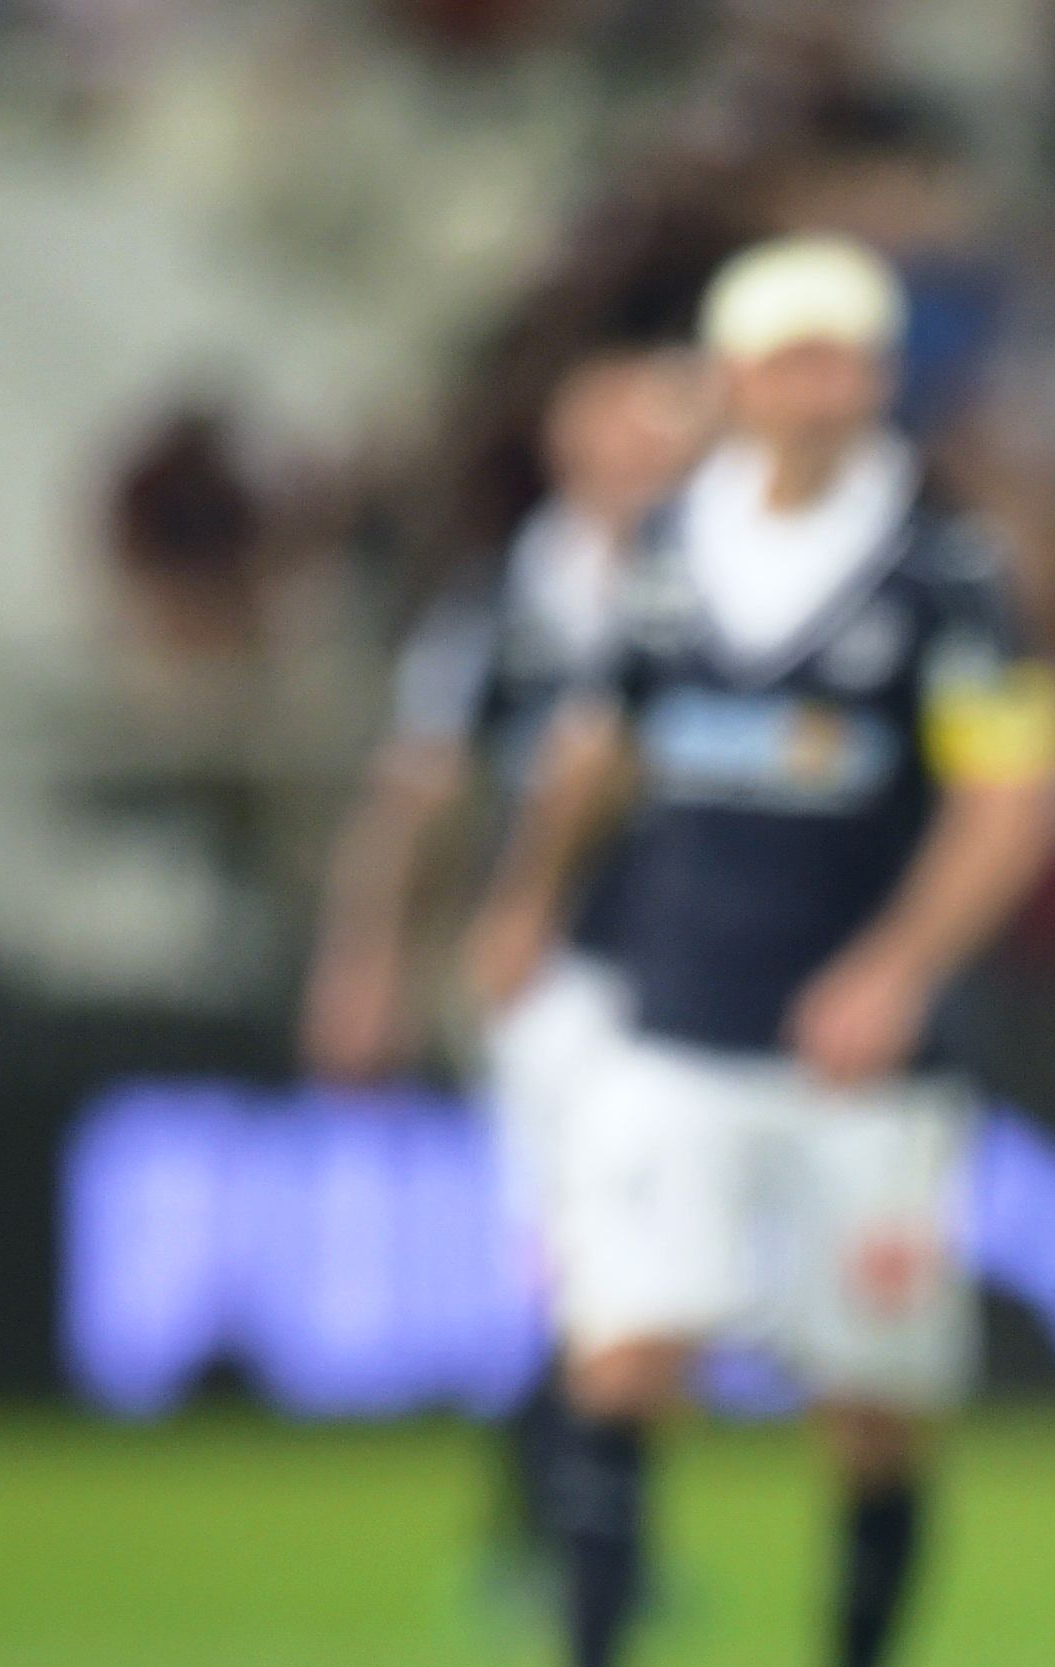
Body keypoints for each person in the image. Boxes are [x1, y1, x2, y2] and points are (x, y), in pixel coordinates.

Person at [465, 233, 1055, 1667]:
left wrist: (897, 966)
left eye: (848, 355)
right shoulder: (666, 548)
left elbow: (1011, 797)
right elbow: (601, 742)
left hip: (868, 1071)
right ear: (734, 377)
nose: (825, 384)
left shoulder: (948, 568)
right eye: (793, 354)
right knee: (622, 1353)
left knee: (872, 1411)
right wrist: (529, 895)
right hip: (676, 1023)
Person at [302, 334, 709, 1594]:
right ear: (570, 445)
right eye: (635, 429)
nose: (659, 455)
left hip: (695, 968)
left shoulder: (717, 591)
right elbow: (417, 794)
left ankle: (584, 1532)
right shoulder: (501, 607)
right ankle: (560, 1534)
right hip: (552, 974)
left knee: (660, 1257)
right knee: (588, 1247)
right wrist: (364, 955)